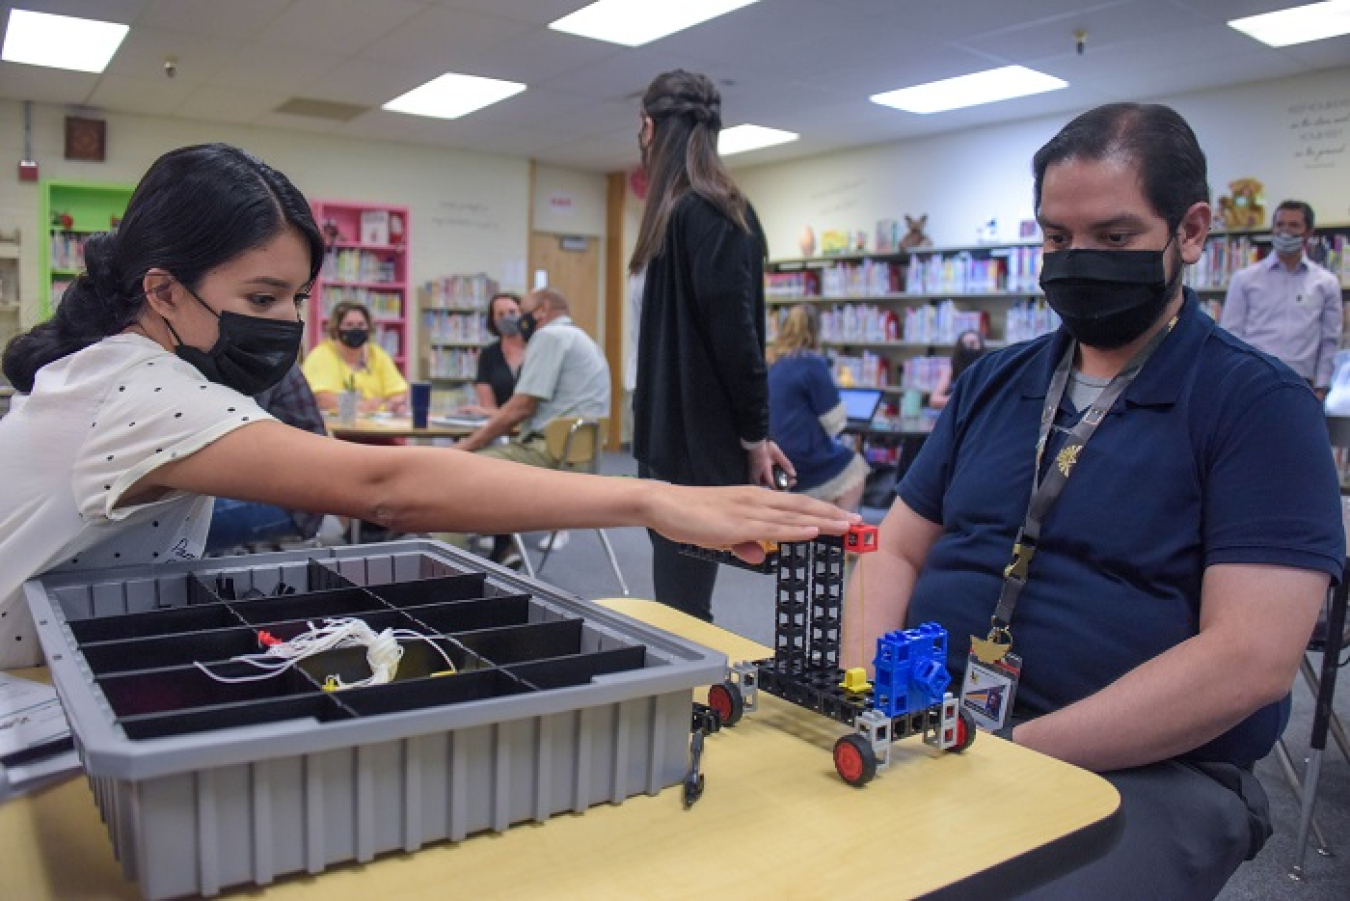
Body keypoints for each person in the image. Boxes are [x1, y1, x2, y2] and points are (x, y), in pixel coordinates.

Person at [0, 142, 859, 670]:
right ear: (164, 291)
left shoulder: (125, 367)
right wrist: (650, 496)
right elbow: (387, 485)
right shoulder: (140, 391)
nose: (289, 325)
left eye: (297, 298)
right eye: (263, 297)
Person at [840, 104, 1343, 898]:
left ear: (1192, 231)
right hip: (937, 722)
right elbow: (895, 547)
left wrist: (1008, 747)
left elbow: (1251, 659)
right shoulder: (991, 384)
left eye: (1113, 240)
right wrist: (863, 691)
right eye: (1056, 239)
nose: (1078, 261)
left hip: (1148, 769)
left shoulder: (1259, 405)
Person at [630, 69, 795, 622]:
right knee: (678, 599)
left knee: (681, 604)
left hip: (690, 450)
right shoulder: (691, 213)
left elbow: (737, 342)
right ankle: (690, 697)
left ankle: (695, 701)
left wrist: (755, 436)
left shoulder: (702, 212)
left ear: (648, 128)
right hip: (671, 445)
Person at [453, 287, 612, 566]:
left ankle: (444, 568)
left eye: (521, 311)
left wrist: (465, 446)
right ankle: (494, 551)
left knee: (455, 474)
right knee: (490, 467)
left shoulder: (548, 336)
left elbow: (522, 406)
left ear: (541, 310)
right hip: (578, 460)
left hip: (548, 454)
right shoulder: (582, 338)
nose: (517, 320)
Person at [1219, 200, 1343, 399]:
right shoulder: (1244, 279)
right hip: (1252, 381)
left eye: (1294, 225)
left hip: (1302, 384)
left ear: (1308, 233)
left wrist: (1321, 387)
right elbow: (1230, 336)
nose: (1285, 231)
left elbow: (1329, 340)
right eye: (1280, 225)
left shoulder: (1326, 283)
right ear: (1272, 228)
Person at [205, 362, 330, 552]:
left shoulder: (257, 362)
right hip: (280, 488)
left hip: (292, 499)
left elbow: (234, 442)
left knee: (180, 527)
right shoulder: (244, 356)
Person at [767, 305, 870, 510]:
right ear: (816, 331)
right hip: (802, 456)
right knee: (855, 466)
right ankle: (841, 531)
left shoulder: (771, 361)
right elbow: (835, 421)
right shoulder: (812, 362)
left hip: (773, 452)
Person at [302, 301, 409, 415]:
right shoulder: (321, 355)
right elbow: (320, 398)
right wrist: (361, 406)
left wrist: (392, 405)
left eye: (361, 325)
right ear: (336, 329)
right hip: (334, 428)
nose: (356, 329)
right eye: (349, 325)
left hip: (377, 426)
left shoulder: (377, 355)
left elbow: (398, 394)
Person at [462, 291, 525, 416]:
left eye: (512, 312)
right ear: (493, 320)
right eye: (500, 314)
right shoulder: (488, 355)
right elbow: (487, 407)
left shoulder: (537, 349)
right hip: (500, 429)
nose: (507, 318)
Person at [927, 329, 986, 410]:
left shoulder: (987, 370)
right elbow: (934, 400)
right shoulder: (950, 370)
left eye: (973, 343)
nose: (970, 347)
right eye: (966, 344)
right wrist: (961, 400)